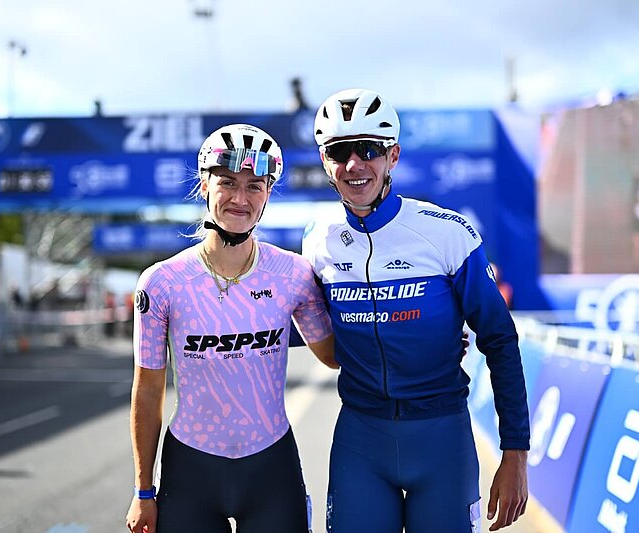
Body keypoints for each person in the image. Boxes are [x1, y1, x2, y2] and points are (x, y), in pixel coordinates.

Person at [302, 88, 530, 532]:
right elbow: (304, 321)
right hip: (361, 440)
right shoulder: (317, 239)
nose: (354, 164)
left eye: (369, 149)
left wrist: (515, 453)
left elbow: (500, 340)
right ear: (326, 162)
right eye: (339, 152)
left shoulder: (446, 233)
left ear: (393, 156)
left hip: (441, 437)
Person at [125, 124, 336, 533]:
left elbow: (333, 355)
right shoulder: (162, 282)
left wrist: (427, 336)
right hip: (191, 472)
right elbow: (148, 391)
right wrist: (143, 491)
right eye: (228, 183)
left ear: (268, 192)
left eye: (254, 185)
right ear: (205, 185)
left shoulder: (293, 274)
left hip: (271, 468)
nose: (241, 198)